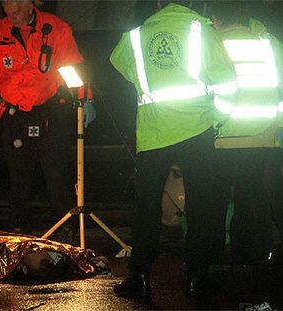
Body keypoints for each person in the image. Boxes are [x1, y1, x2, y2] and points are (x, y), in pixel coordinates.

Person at [110, 1, 236, 299]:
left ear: (157, 4)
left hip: (153, 134)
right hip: (196, 129)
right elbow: (227, 82)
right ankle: (196, 278)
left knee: (146, 208)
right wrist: (216, 119)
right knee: (201, 206)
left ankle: (139, 276)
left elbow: (120, 63)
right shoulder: (200, 30)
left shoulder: (137, 35)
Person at [0, 0, 95, 234]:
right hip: (14, 113)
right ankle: (18, 229)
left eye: (18, 10)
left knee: (56, 173)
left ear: (31, 5)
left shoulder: (56, 29)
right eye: (8, 11)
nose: (14, 16)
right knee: (18, 176)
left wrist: (86, 100)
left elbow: (73, 66)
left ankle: (65, 229)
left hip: (50, 109)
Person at [212, 15, 283, 264]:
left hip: (221, 137)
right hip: (261, 136)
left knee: (215, 201)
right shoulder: (268, 43)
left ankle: (214, 258)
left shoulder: (212, 41)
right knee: (253, 198)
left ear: (216, 18)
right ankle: (254, 257)